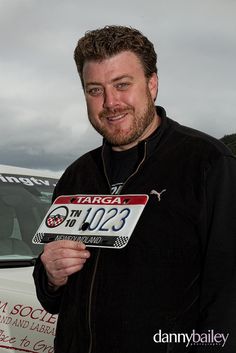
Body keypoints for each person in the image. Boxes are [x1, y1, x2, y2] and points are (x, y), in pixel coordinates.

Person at [33, 25, 236, 353]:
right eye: (95, 90)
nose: (111, 102)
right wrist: (50, 275)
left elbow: (228, 301)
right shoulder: (76, 176)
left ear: (152, 84)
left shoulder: (208, 164)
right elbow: (51, 297)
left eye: (122, 85)